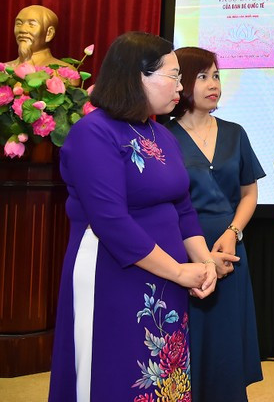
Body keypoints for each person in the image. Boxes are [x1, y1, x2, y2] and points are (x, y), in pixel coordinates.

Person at [48, 32, 235, 402]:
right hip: (114, 272)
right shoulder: (93, 133)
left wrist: (203, 262)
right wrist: (181, 271)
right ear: (137, 76)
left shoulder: (159, 134)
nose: (180, 88)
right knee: (114, 373)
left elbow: (182, 207)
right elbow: (111, 222)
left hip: (167, 275)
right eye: (173, 76)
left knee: (164, 377)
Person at [166, 47, 265, 402]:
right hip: (182, 252)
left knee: (225, 344)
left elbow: (249, 192)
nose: (214, 84)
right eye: (203, 76)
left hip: (230, 249)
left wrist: (233, 232)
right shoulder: (163, 136)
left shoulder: (235, 133)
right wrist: (200, 253)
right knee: (186, 344)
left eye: (217, 76)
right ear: (182, 83)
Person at [6, 5, 74, 70]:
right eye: (19, 24)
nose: (22, 30)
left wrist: (27, 62)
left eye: (31, 25)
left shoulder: (63, 71)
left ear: (49, 33)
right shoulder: (4, 69)